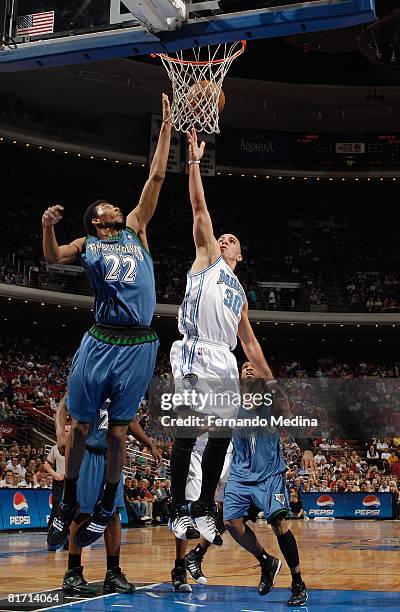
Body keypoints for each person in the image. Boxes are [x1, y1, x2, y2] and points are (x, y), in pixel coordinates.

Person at [45, 94, 171, 550]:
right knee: (80, 427)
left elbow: (156, 177)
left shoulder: (136, 229)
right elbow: (54, 257)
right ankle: (66, 500)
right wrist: (47, 226)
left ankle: (108, 500)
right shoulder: (87, 242)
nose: (117, 209)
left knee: (119, 430)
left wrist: (165, 130)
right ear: (97, 220)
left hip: (140, 341)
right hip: (102, 338)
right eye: (108, 208)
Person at [169, 129, 274, 546]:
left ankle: (202, 509)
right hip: (196, 349)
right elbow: (198, 207)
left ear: (241, 256)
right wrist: (193, 162)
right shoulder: (207, 257)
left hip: (224, 358)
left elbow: (250, 343)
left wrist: (269, 380)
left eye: (232, 240)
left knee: (222, 432)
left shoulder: (241, 293)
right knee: (190, 427)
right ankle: (179, 506)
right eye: (222, 236)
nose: (224, 238)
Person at [55, 394, 162, 594]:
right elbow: (63, 404)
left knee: (112, 516)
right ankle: (73, 573)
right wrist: (61, 433)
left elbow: (130, 420)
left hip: (112, 457)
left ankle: (113, 573)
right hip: (88, 453)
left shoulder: (121, 387)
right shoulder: (91, 377)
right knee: (82, 513)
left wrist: (149, 443)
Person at [224, 362, 307, 607]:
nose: (248, 368)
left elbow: (292, 421)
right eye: (244, 366)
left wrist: (307, 448)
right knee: (231, 523)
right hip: (240, 475)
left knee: (279, 524)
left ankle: (298, 582)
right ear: (238, 375)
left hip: (269, 473)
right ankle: (266, 561)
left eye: (253, 366)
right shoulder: (230, 402)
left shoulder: (271, 400)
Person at [45, 427, 69, 528]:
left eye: (68, 431)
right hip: (60, 482)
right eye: (65, 431)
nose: (66, 433)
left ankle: (68, 530)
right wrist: (54, 474)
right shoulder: (55, 448)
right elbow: (47, 465)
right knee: (57, 506)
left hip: (74, 482)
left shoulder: (79, 447)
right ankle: (51, 530)